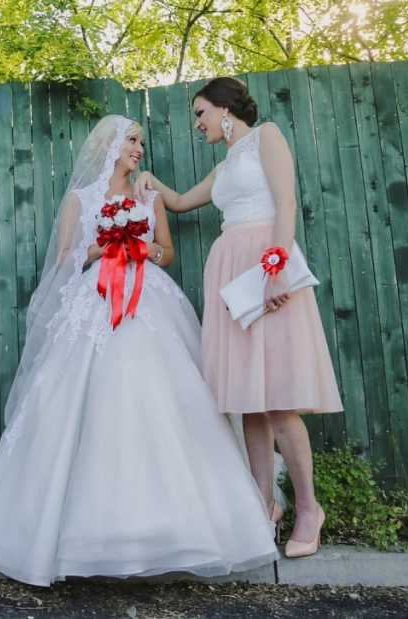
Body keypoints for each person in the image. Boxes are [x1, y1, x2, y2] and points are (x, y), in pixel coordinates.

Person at [0, 115, 278, 587]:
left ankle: (183, 526)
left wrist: (141, 250)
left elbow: (166, 251)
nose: (138, 149)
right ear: (110, 145)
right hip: (96, 300)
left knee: (165, 394)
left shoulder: (149, 196)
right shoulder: (81, 199)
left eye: (140, 143)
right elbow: (66, 257)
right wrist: (103, 248)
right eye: (132, 140)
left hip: (150, 298)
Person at [134, 77, 344, 558]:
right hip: (229, 273)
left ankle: (308, 508)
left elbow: (285, 203)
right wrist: (150, 181)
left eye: (200, 112)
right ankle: (262, 506)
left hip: (264, 265)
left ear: (225, 109)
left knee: (279, 401)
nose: (198, 123)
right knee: (249, 400)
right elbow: (180, 202)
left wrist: (276, 269)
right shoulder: (224, 166)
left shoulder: (266, 136)